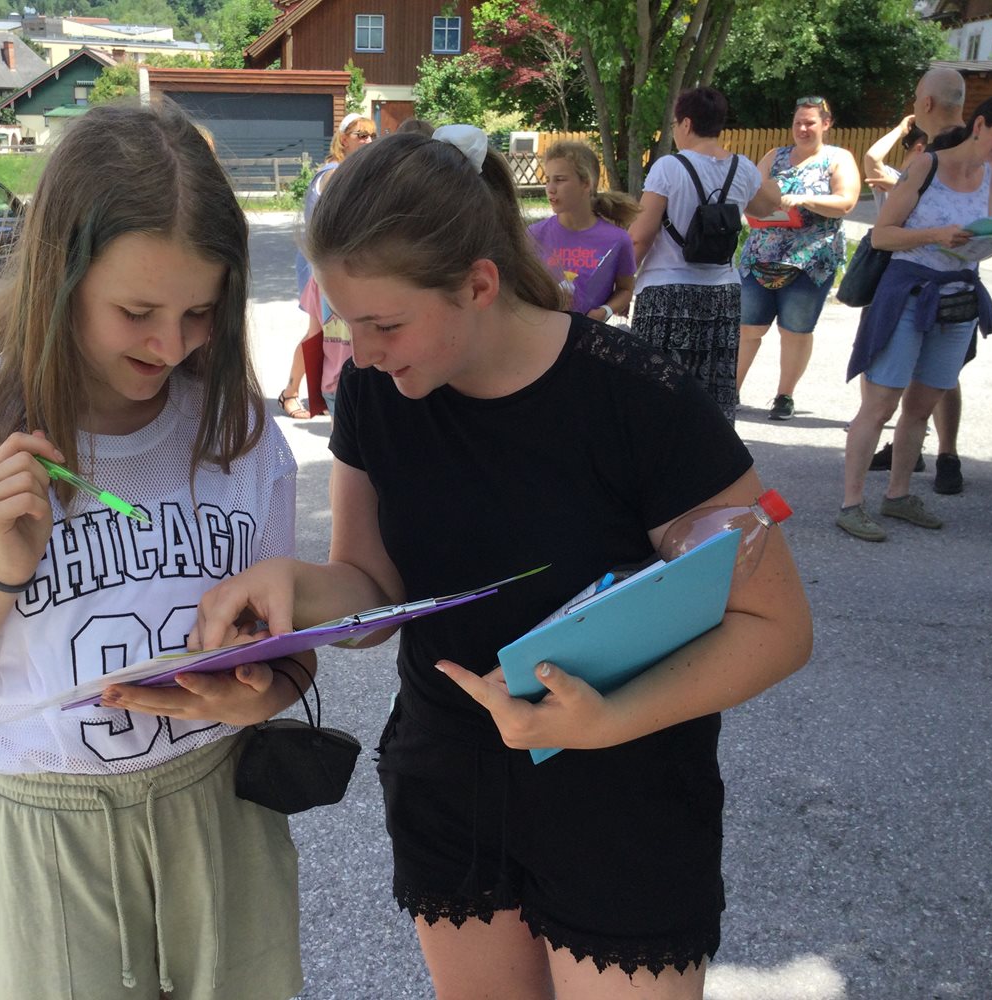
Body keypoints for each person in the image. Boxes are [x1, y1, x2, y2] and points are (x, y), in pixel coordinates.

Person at [192, 124, 813, 1000]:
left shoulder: (637, 397)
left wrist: (603, 720)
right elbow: (374, 590)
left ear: (479, 285)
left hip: (623, 784)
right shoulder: (376, 392)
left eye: (384, 324)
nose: (359, 354)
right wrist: (293, 590)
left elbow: (775, 628)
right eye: (345, 322)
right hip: (451, 778)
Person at [0, 100, 310, 1000]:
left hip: (220, 813)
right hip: (45, 841)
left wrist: (256, 693)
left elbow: (288, 662)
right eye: (136, 311)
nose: (170, 345)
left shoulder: (239, 434)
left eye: (200, 312)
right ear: (59, 277)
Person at [836, 92, 992, 542]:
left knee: (921, 407)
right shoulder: (926, 165)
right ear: (979, 125)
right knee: (880, 405)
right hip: (908, 294)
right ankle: (851, 504)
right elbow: (882, 236)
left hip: (959, 299)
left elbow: (975, 237)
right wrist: (936, 234)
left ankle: (898, 495)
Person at [629, 87, 782, 423]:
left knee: (657, 394)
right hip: (722, 294)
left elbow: (641, 235)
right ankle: (709, 452)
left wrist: (621, 284)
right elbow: (766, 207)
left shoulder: (668, 167)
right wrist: (770, 180)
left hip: (666, 292)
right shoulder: (742, 168)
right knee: (711, 396)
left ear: (686, 123)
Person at [869, 67, 969, 487]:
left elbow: (885, 233)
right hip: (953, 280)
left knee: (938, 375)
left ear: (925, 103)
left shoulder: (947, 151)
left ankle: (943, 453)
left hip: (928, 280)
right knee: (937, 373)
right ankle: (930, 454)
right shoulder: (974, 148)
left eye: (915, 99)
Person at [736, 96, 860, 421]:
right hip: (761, 257)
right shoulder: (774, 156)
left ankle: (784, 395)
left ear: (826, 124)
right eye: (798, 123)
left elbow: (847, 201)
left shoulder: (838, 159)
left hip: (811, 261)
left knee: (795, 330)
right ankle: (729, 390)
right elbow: (753, 194)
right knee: (747, 327)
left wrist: (804, 199)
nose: (803, 129)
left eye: (810, 123)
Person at [278, 111, 375, 418]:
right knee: (319, 332)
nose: (368, 141)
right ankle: (291, 392)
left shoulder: (341, 170)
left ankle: (313, 392)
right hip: (320, 265)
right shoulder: (336, 173)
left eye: (372, 135)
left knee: (326, 331)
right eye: (361, 135)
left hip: (327, 262)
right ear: (344, 139)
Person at [529, 139, 637, 323]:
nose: (550, 189)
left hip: (587, 334)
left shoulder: (618, 239)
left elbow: (626, 289)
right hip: (542, 332)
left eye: (560, 180)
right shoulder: (533, 235)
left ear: (586, 183)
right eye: (547, 180)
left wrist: (604, 311)